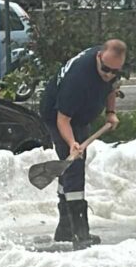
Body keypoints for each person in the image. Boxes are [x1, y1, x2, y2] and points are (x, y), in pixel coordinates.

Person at [40, 39, 127, 249]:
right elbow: (63, 119)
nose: (108, 74)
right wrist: (72, 143)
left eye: (114, 71)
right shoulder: (77, 79)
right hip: (57, 116)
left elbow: (111, 87)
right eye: (105, 69)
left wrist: (111, 112)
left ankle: (65, 230)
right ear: (99, 56)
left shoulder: (112, 66)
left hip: (80, 117)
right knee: (74, 167)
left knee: (69, 169)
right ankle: (80, 234)